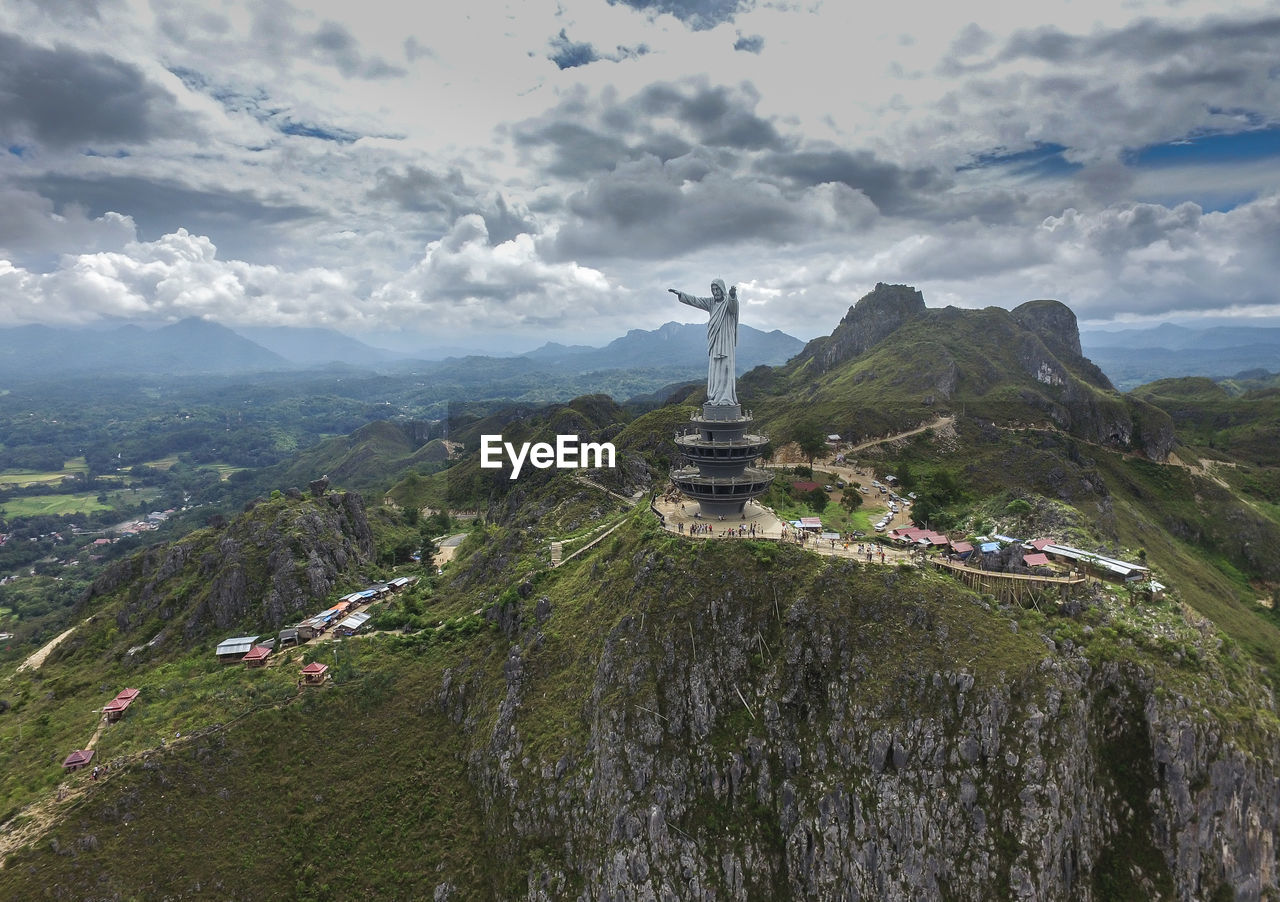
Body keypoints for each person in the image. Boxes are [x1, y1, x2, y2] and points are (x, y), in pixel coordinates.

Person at [669, 280, 740, 406]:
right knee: (715, 370)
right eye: (713, 289)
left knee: (725, 369)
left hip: (726, 342)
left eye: (717, 289)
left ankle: (726, 398)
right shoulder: (711, 302)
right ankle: (714, 397)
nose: (715, 292)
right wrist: (681, 294)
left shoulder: (728, 301)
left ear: (722, 289)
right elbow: (696, 300)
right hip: (715, 341)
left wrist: (733, 295)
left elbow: (734, 309)